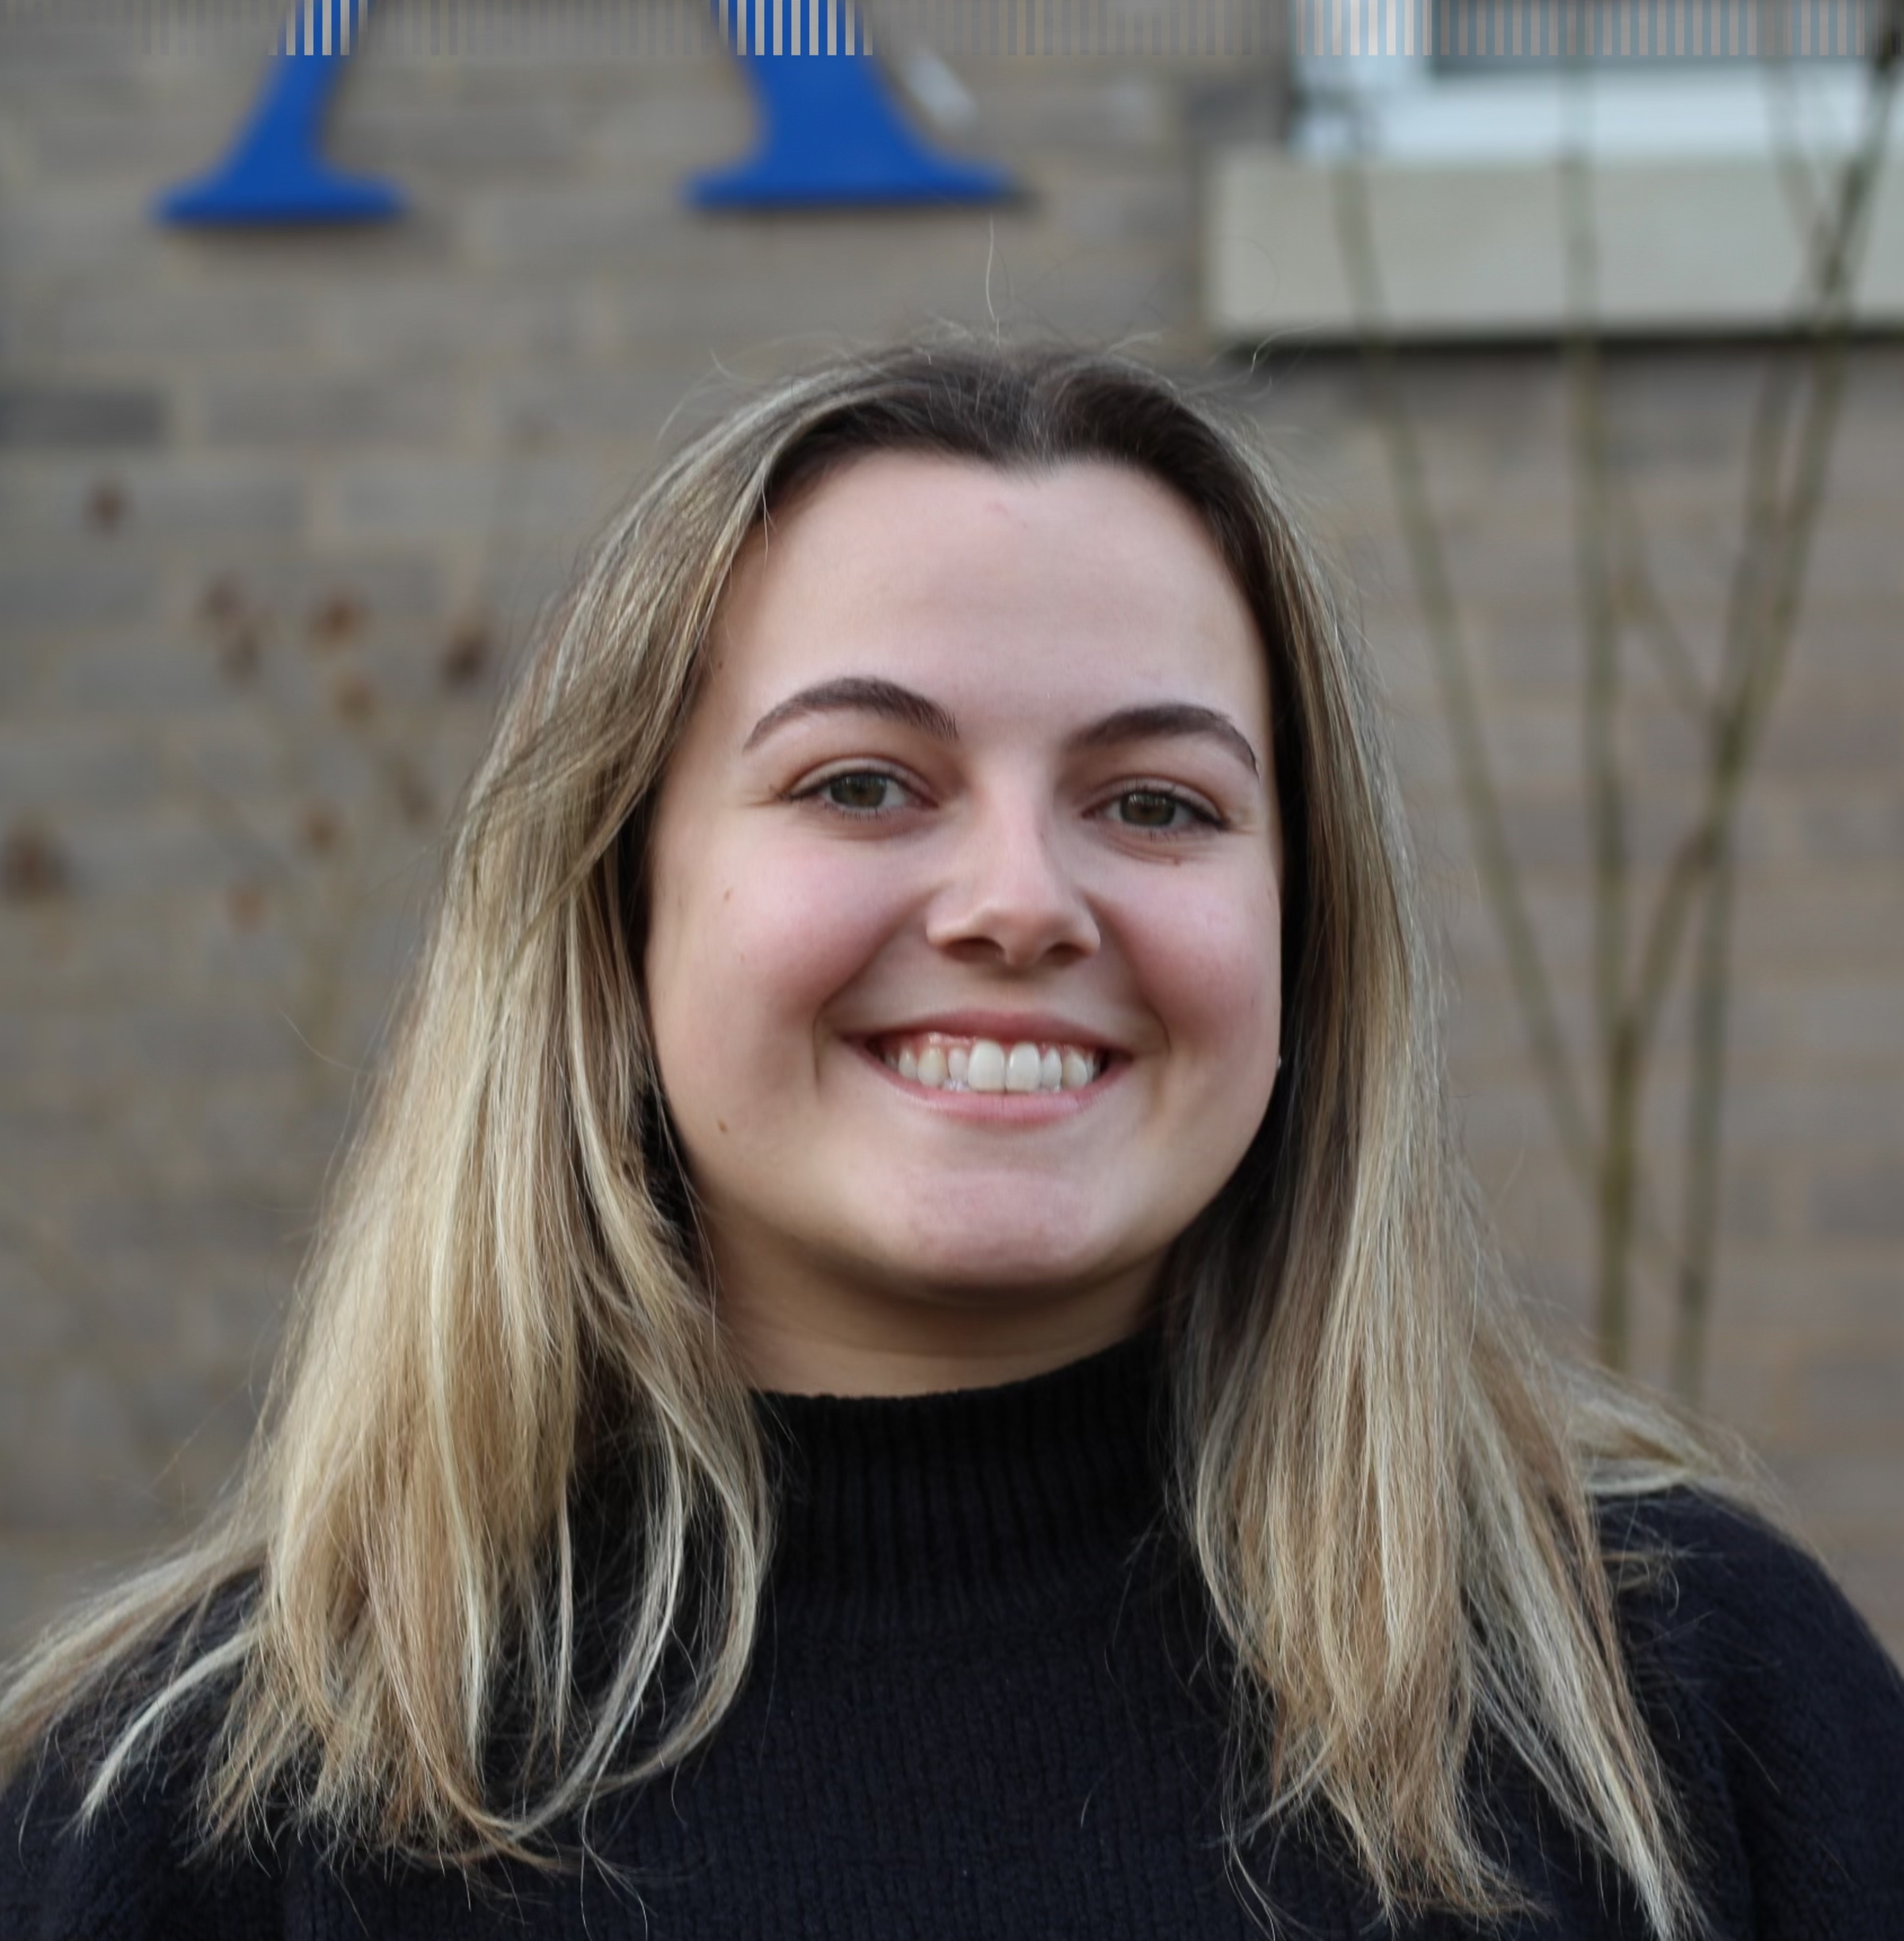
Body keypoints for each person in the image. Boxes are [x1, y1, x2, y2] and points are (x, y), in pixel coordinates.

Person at [3, 340, 1902, 1940]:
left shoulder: (1693, 1715)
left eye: (1156, 801)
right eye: (860, 782)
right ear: (618, 904)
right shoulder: (192, 1811)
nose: (1020, 901)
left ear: (1306, 940)